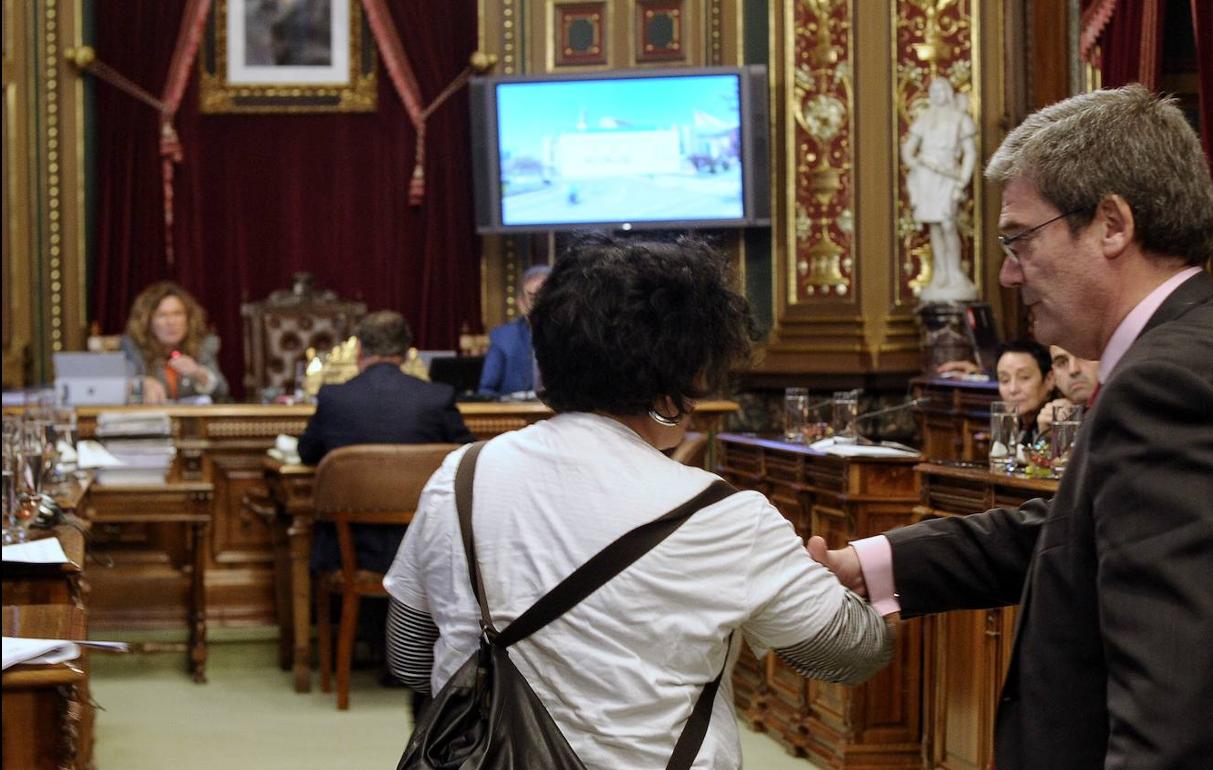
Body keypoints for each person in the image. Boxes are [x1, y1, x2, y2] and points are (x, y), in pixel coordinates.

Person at [809, 85, 1213, 770]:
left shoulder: (1168, 383)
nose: (1009, 273)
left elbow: (1177, 698)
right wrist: (870, 567)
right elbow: (1082, 532)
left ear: (1111, 225)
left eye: (1019, 239)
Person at [385, 233, 893, 768]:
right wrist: (834, 581)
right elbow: (851, 653)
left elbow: (411, 657)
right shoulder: (726, 516)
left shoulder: (460, 477)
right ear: (688, 376)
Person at [298, 310, 474, 574]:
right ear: (406, 352)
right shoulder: (436, 398)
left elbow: (306, 452)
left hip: (349, 553)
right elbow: (469, 457)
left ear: (359, 350)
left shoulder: (334, 398)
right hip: (425, 548)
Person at [902, 76, 978, 302]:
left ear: (947, 92)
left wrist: (962, 181)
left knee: (947, 223)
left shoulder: (960, 119)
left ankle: (954, 271)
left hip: (948, 177)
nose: (936, 94)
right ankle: (941, 272)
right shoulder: (925, 119)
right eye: (932, 91)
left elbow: (970, 153)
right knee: (935, 225)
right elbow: (908, 150)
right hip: (928, 177)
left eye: (940, 90)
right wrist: (916, 165)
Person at [121, 281, 229, 403]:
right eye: (162, 315)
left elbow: (222, 390)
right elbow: (119, 388)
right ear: (147, 321)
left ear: (188, 318)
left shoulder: (203, 345)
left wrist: (199, 373)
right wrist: (140, 384)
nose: (171, 322)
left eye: (177, 314)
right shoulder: (133, 347)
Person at [476, 264, 550, 398]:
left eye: (546, 296)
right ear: (521, 303)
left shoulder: (573, 336)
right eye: (533, 298)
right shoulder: (503, 337)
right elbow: (486, 391)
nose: (541, 304)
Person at [994, 339, 1054, 445]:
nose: (1013, 389)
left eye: (1024, 377)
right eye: (1004, 380)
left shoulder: (1059, 421)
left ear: (1049, 379)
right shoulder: (1010, 424)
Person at [1036, 344, 1100, 433]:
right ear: (1054, 376)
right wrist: (1047, 439)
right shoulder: (1058, 416)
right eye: (1062, 363)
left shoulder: (1121, 412)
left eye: (1083, 356)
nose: (1073, 370)